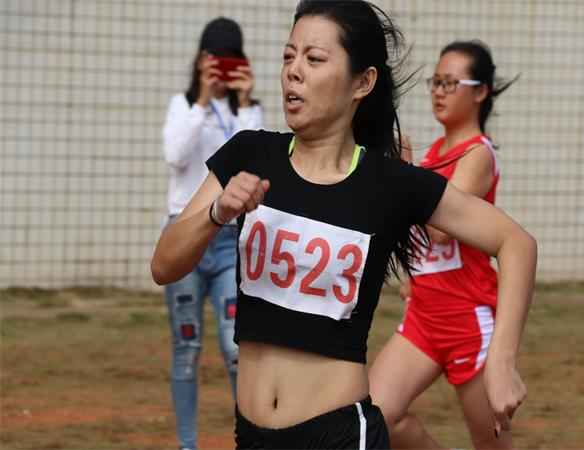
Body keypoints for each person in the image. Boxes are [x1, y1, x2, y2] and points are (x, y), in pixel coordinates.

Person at [152, 2, 536, 449]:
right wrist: (216, 213)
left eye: (314, 59)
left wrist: (501, 362)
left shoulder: (388, 181)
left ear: (362, 82)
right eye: (288, 56)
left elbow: (515, 242)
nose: (293, 71)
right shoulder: (248, 154)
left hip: (340, 436)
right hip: (253, 435)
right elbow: (163, 265)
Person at [369, 41, 521, 449]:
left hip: (466, 320)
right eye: (435, 82)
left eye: (450, 83)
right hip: (423, 316)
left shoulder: (478, 155)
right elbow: (419, 235)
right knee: (377, 416)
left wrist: (401, 174)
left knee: (491, 444)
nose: (438, 91)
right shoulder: (436, 152)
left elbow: (440, 228)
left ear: (481, 91)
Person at [160, 16, 262, 450]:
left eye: (230, 58)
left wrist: (244, 101)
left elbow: (249, 160)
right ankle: (188, 445)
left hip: (228, 241)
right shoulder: (183, 105)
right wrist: (202, 99)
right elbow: (175, 155)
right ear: (202, 60)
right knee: (186, 347)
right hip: (185, 234)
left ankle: (249, 441)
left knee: (236, 349)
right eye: (216, 58)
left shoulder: (247, 111)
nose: (223, 67)